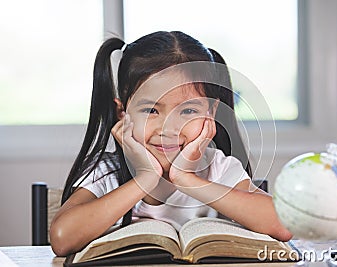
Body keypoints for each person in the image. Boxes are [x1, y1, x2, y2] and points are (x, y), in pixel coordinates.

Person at [50, 31, 292, 256]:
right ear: (122, 113)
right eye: (151, 110)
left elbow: (284, 225)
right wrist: (145, 178)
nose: (169, 129)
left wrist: (186, 178)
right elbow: (62, 239)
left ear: (211, 112)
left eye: (187, 110)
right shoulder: (106, 172)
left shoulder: (218, 168)